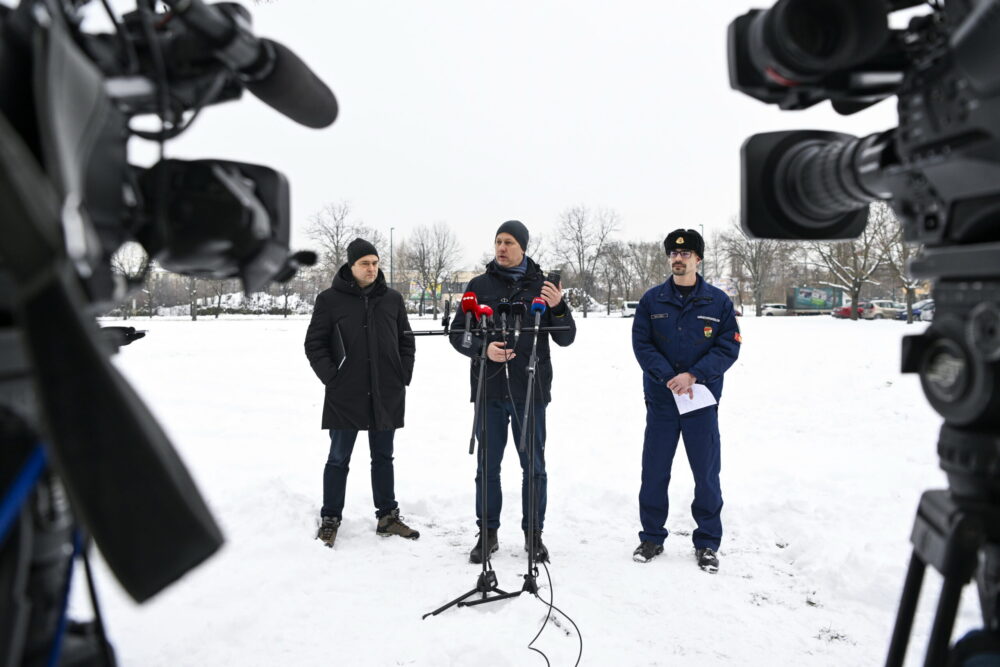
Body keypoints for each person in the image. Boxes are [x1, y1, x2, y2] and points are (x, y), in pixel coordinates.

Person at [450, 220, 577, 564]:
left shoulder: (543, 286)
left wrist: (559, 306)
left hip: (530, 390)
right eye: (497, 242)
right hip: (488, 389)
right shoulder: (478, 285)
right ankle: (487, 533)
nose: (501, 248)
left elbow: (566, 337)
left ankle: (533, 535)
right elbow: (457, 334)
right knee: (487, 466)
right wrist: (483, 348)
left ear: (523, 246)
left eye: (508, 242)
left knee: (533, 466)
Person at [631, 228, 741, 572]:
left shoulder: (718, 302)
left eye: (685, 254)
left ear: (698, 258)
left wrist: (693, 375)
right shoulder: (652, 301)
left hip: (700, 401)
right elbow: (642, 344)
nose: (678, 259)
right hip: (663, 402)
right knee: (654, 471)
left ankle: (707, 542)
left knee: (706, 474)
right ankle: (651, 537)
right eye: (674, 254)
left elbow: (729, 346)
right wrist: (667, 376)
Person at [304, 238, 419, 547]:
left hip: (385, 391)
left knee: (383, 456)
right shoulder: (329, 300)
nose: (371, 268)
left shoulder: (392, 299)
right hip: (346, 394)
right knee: (338, 457)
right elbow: (314, 344)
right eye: (365, 263)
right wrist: (333, 377)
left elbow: (406, 340)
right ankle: (331, 518)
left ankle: (387, 518)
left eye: (375, 262)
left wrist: (402, 373)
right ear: (351, 266)